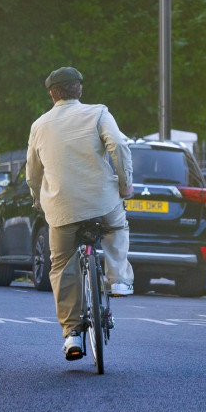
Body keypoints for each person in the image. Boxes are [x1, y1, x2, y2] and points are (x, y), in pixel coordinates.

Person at [26, 67, 134, 361]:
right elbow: (119, 146)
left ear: (52, 93)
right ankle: (119, 279)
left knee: (61, 264)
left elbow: (33, 175)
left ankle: (73, 334)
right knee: (116, 227)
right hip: (102, 202)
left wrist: (39, 201)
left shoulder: (39, 126)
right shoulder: (99, 114)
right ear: (80, 90)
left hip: (61, 209)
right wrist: (125, 185)